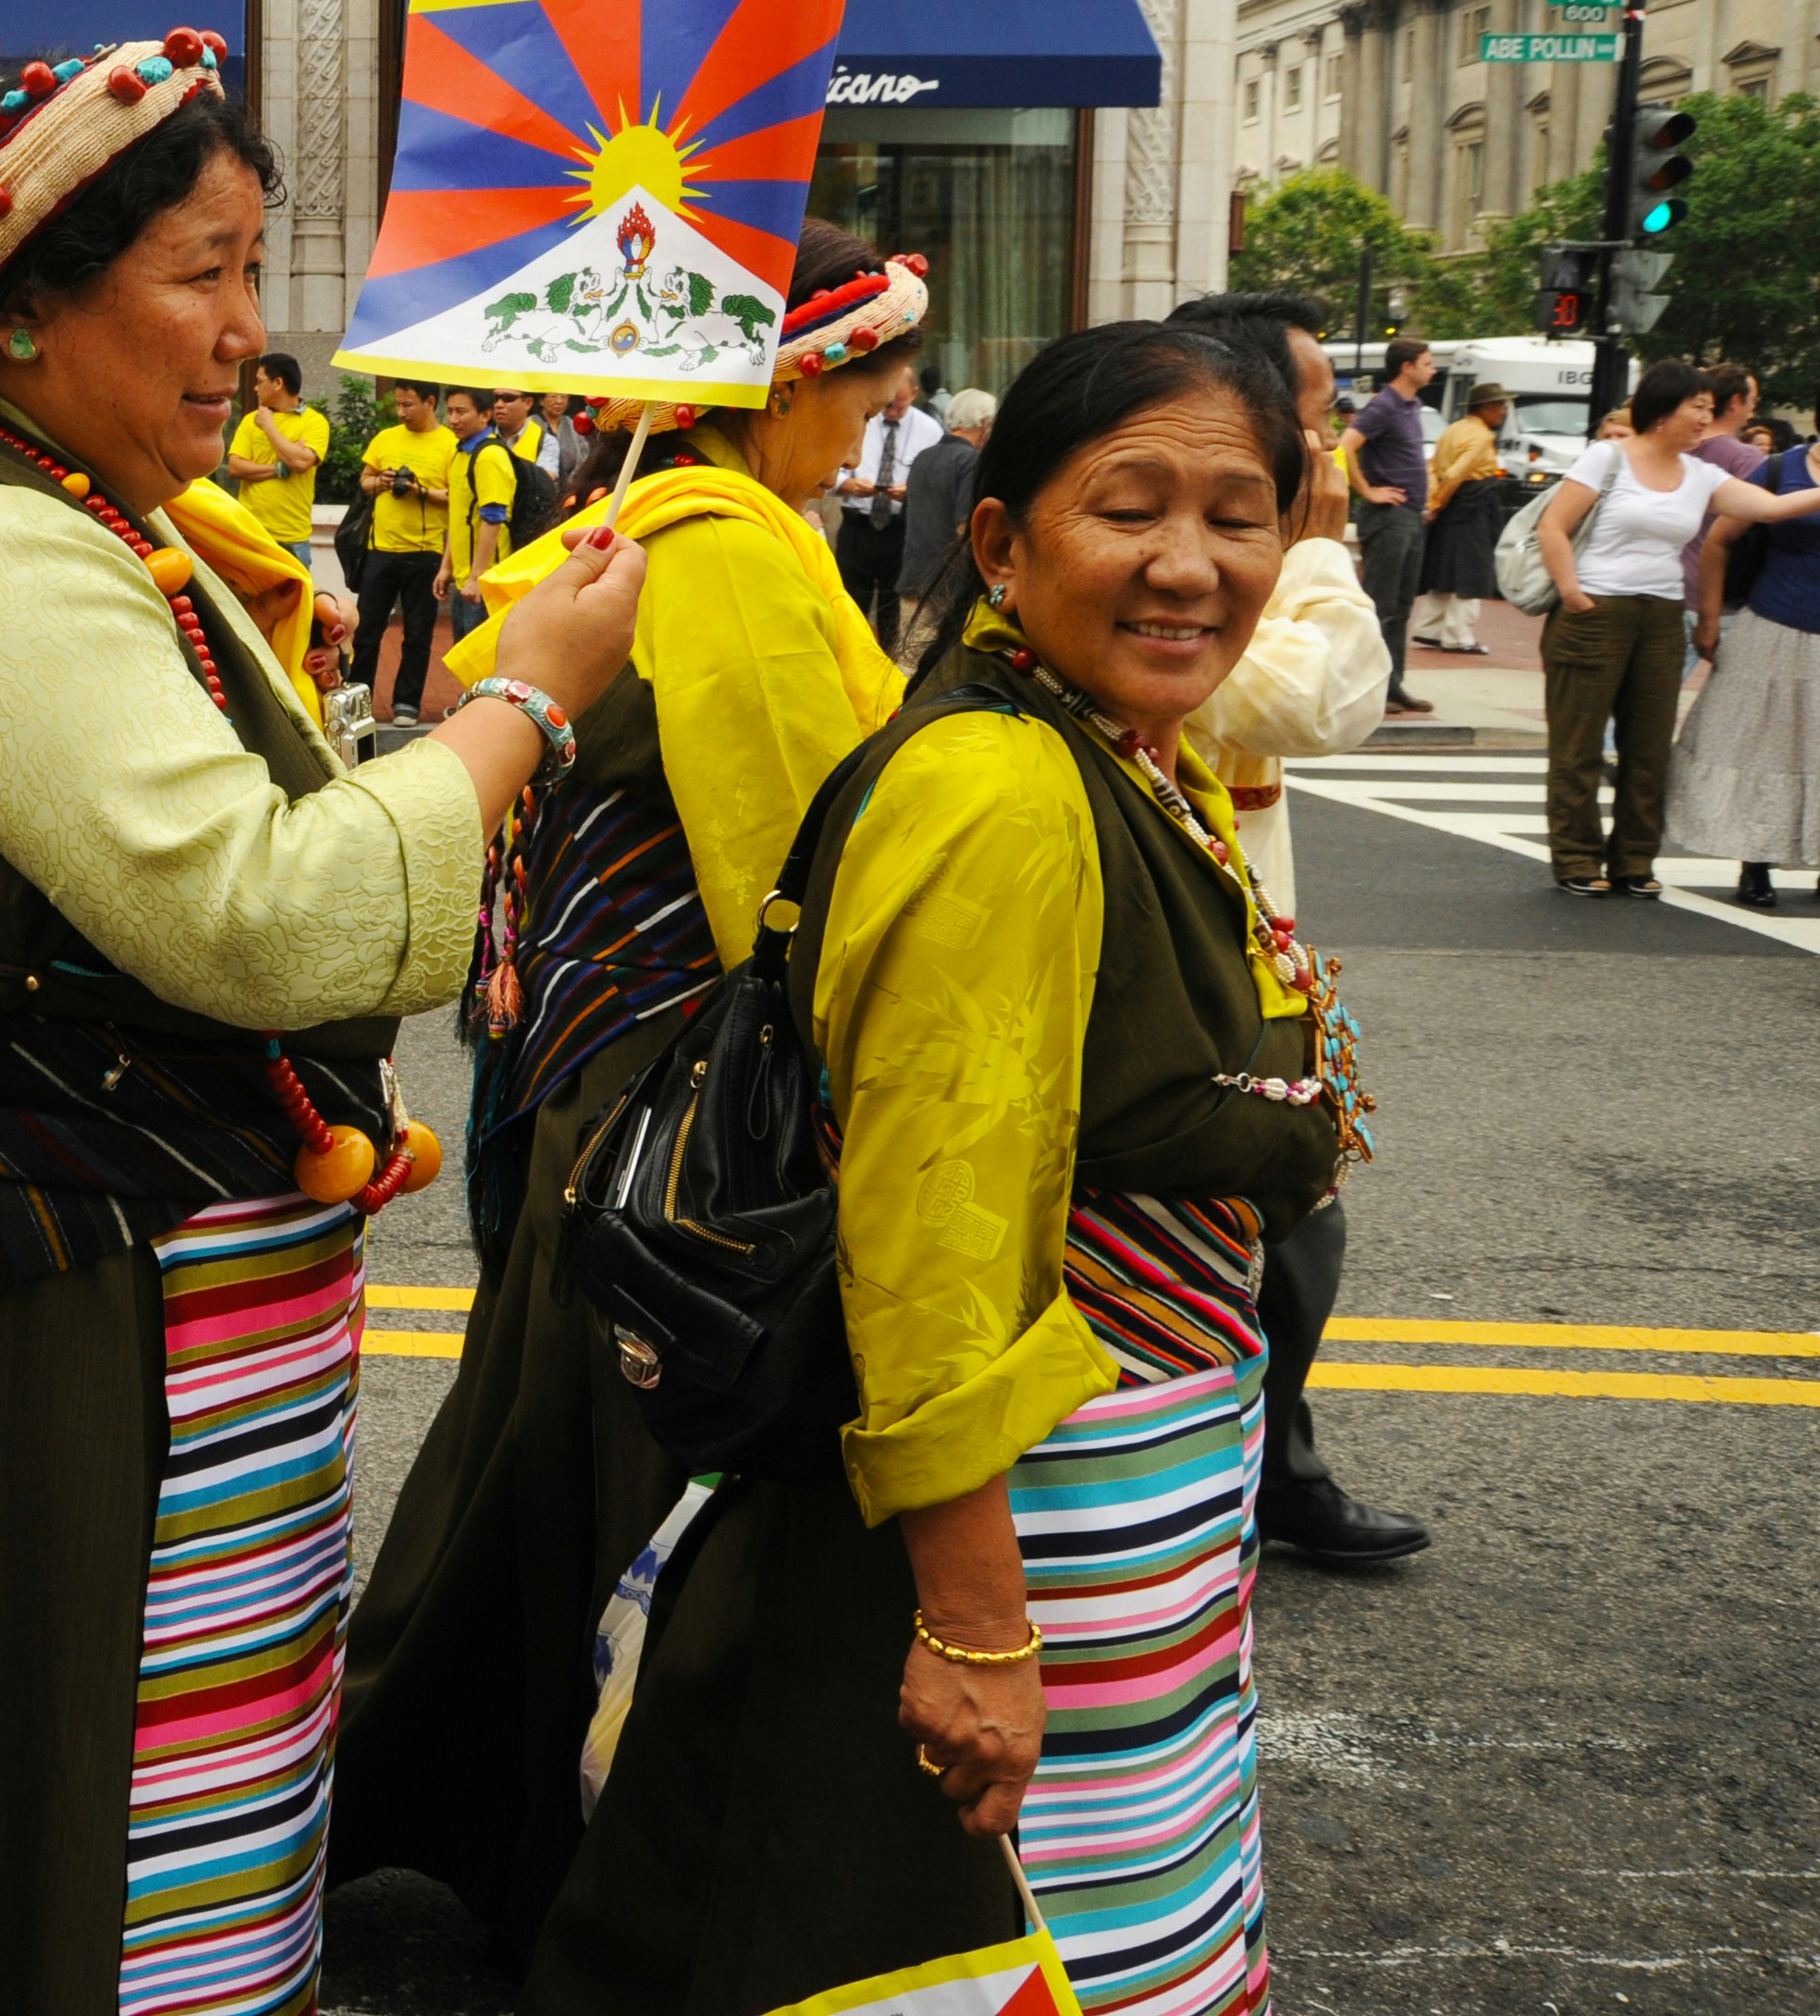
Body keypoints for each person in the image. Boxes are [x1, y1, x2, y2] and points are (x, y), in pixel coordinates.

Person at [0, 32, 645, 2016]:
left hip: (111, 1278)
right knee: (51, 1838)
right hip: (36, 1306)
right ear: (27, 311)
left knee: (150, 1813)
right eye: (200, 275)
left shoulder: (64, 514)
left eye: (250, 269)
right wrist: (530, 705)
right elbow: (266, 911)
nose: (245, 334)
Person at [532, 321, 1362, 2014]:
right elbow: (929, 1236)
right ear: (999, 540)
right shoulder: (999, 787)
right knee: (974, 1942)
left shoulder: (1111, 743)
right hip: (1037, 1520)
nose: (1190, 565)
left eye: (1238, 512)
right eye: (1128, 508)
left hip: (1131, 1499)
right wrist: (978, 1626)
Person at [336, 225, 931, 1979]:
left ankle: (454, 1809)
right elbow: (795, 856)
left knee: (546, 1447)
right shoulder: (726, 551)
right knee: (641, 1474)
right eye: (867, 368)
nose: (889, 400)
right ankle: (614, 1872)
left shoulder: (647, 520)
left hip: (609, 1074)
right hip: (684, 1097)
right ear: (777, 374)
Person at [1159, 286, 1417, 1569]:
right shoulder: (1191, 563)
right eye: (1317, 422)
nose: (1335, 453)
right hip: (1178, 963)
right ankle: (1253, 1471)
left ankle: (1272, 1462)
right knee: (1273, 1210)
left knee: (1289, 1210)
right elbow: (1325, 701)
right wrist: (1318, 550)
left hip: (1246, 944)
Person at [1533, 359, 1820, 899]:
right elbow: (1553, 526)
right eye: (1697, 408)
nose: (1707, 419)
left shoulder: (1702, 475)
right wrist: (1572, 592)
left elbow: (1773, 508)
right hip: (1596, 610)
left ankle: (1634, 859)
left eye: (1710, 409)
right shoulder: (1607, 457)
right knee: (1579, 744)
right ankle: (1576, 857)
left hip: (1661, 615)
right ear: (1662, 411)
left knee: (1650, 745)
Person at [1676, 362, 1820, 914]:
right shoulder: (1783, 469)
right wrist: (1709, 619)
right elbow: (1719, 541)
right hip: (1775, 632)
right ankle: (1756, 861)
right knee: (1766, 750)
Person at [352, 376, 460, 723]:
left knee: (418, 632)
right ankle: (359, 697)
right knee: (367, 630)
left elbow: (457, 497)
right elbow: (365, 482)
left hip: (425, 552)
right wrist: (379, 483)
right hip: (380, 549)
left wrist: (421, 492)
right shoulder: (385, 438)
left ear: (431, 402)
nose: (401, 412)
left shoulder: (450, 445)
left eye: (408, 404)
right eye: (398, 404)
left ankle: (407, 703)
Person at [1345, 334, 1438, 717]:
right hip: (1390, 518)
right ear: (1407, 367)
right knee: (1381, 605)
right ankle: (1371, 688)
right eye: (1428, 362)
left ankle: (1392, 684)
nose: (1433, 369)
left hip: (1411, 516)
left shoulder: (1411, 405)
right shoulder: (1384, 405)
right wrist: (1368, 491)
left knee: (1400, 606)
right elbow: (1346, 445)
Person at [830, 359, 941, 642]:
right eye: (888, 404)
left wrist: (911, 492)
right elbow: (831, 465)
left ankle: (888, 663)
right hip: (858, 526)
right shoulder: (861, 419)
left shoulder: (930, 430)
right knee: (849, 603)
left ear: (914, 394)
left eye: (899, 406)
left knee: (892, 609)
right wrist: (848, 483)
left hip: (898, 530)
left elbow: (934, 483)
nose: (890, 412)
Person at [892, 386, 993, 664]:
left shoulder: (924, 456)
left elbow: (907, 515)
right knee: (940, 671)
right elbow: (965, 529)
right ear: (984, 423)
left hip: (913, 578)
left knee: (906, 667)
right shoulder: (971, 461)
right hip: (949, 588)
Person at [1415, 379, 1513, 653]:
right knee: (1471, 570)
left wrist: (1435, 501)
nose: (1503, 412)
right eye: (1499, 406)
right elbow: (1457, 473)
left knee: (1446, 567)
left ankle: (1430, 628)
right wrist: (1435, 503)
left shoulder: (1453, 429)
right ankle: (1458, 636)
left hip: (1452, 505)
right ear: (1484, 407)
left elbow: (1433, 467)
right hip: (1473, 505)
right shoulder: (1482, 436)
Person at [437, 383, 524, 642]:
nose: (453, 419)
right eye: (450, 411)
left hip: (486, 585)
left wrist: (477, 577)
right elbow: (459, 517)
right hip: (466, 583)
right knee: (465, 665)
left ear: (485, 415)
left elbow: (493, 520)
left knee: (483, 670)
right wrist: (446, 566)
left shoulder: (489, 457)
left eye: (461, 412)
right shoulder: (462, 453)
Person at [226, 349, 327, 558]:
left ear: (278, 383)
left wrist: (270, 427)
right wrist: (279, 468)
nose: (255, 388)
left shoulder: (314, 422)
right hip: (252, 531)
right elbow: (235, 468)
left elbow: (301, 463)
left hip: (293, 538)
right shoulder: (250, 420)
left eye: (260, 381)